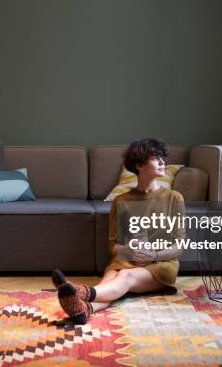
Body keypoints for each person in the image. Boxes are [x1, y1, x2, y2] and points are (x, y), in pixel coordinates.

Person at [53, 138, 186, 324]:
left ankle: (81, 292)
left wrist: (153, 253)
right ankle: (83, 310)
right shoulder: (121, 201)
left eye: (163, 158)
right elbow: (113, 244)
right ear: (139, 165)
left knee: (124, 277)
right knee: (109, 285)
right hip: (125, 260)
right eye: (156, 158)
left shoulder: (174, 198)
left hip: (161, 264)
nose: (163, 162)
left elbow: (179, 246)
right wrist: (128, 251)